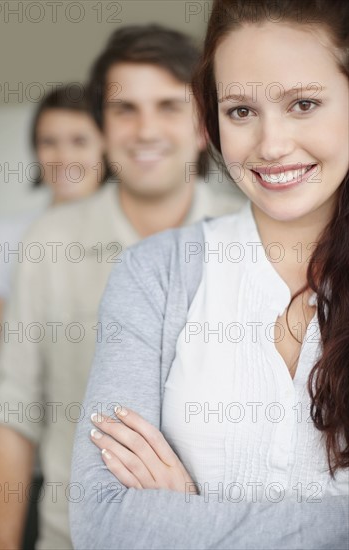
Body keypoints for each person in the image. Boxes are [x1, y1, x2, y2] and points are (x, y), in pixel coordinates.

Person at [70, 1, 349, 548]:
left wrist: (186, 518)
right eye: (241, 111)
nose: (271, 146)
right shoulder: (155, 273)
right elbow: (101, 522)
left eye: (304, 103)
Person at [0, 25, 245, 550]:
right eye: (125, 109)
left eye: (169, 106)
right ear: (103, 127)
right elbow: (14, 413)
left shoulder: (250, 240)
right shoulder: (47, 241)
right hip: (69, 538)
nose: (146, 130)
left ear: (202, 126)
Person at [0, 84, 105, 375]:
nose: (63, 157)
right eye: (48, 141)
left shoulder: (135, 233)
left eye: (79, 141)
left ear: (107, 145)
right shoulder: (8, 234)